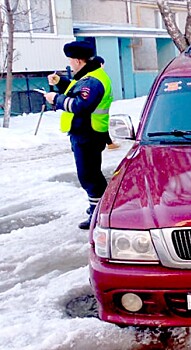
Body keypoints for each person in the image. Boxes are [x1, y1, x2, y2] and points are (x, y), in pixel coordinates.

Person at [43, 41, 113, 230]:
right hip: (87, 133)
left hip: (88, 134)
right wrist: (60, 82)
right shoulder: (89, 76)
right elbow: (76, 90)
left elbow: (80, 105)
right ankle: (98, 209)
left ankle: (99, 214)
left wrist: (55, 99)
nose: (70, 64)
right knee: (91, 175)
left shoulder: (92, 81)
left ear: (78, 60)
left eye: (71, 61)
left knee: (89, 176)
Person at [91, 56, 119, 150]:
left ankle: (109, 143)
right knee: (101, 126)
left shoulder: (90, 75)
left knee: (98, 126)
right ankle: (109, 143)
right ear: (101, 64)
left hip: (98, 107)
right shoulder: (99, 76)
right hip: (99, 107)